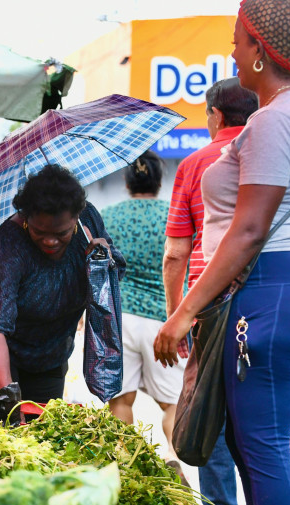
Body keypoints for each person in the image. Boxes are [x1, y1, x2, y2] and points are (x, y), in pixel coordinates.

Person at [153, 0, 290, 505]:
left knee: (260, 446)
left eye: (237, 40)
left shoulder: (274, 120)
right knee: (252, 439)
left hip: (271, 288)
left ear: (259, 50)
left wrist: (184, 313)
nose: (231, 52)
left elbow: (251, 229)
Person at [163, 78, 259, 505]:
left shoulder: (197, 163)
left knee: (209, 411)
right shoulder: (273, 158)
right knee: (259, 416)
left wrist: (178, 315)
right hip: (267, 298)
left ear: (216, 115)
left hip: (211, 303)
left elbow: (177, 253)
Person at [0, 164, 123, 404]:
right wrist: (8, 401)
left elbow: (113, 279)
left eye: (62, 232)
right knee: (4, 417)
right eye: (39, 231)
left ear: (77, 217)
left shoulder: (88, 222)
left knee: (43, 421)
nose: (50, 241)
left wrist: (102, 259)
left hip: (51, 341)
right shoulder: (9, 243)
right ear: (25, 218)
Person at [104, 152, 182, 453]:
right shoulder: (172, 214)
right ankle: (179, 469)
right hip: (163, 320)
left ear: (127, 182)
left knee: (120, 401)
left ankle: (127, 471)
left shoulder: (108, 217)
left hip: (118, 319)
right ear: (159, 182)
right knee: (173, 403)